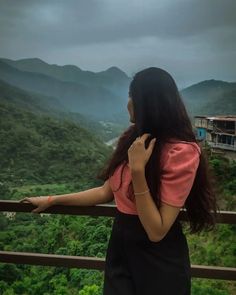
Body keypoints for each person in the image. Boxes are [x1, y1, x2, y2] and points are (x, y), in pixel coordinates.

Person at [20, 67, 219, 295]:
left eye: (132, 96)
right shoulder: (132, 138)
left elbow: (157, 230)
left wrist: (137, 171)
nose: (128, 103)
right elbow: (107, 191)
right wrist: (52, 199)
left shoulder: (181, 152)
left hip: (159, 258)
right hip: (121, 247)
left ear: (147, 103)